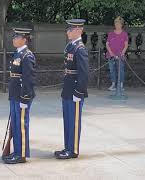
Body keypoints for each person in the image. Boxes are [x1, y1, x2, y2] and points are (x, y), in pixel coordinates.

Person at [54, 19, 89, 159]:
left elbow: (84, 73)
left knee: (73, 121)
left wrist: (79, 92)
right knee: (67, 120)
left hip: (75, 89)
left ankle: (73, 150)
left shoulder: (80, 49)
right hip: (68, 88)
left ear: (79, 30)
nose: (67, 31)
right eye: (68, 29)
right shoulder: (70, 46)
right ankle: (67, 147)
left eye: (71, 29)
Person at [2, 28, 36, 164]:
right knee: (15, 124)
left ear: (24, 39)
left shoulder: (27, 56)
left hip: (22, 96)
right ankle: (16, 151)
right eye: (14, 36)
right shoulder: (17, 54)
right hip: (15, 94)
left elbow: (29, 79)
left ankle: (21, 154)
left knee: (21, 125)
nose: (14, 39)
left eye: (17, 37)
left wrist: (25, 98)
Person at [106, 16, 128, 91]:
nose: (117, 25)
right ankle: (113, 84)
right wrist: (111, 53)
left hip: (120, 55)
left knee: (121, 69)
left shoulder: (124, 34)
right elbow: (107, 44)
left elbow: (126, 45)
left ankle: (121, 85)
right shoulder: (111, 33)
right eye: (116, 23)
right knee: (112, 70)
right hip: (111, 55)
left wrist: (122, 53)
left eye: (118, 23)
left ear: (122, 24)